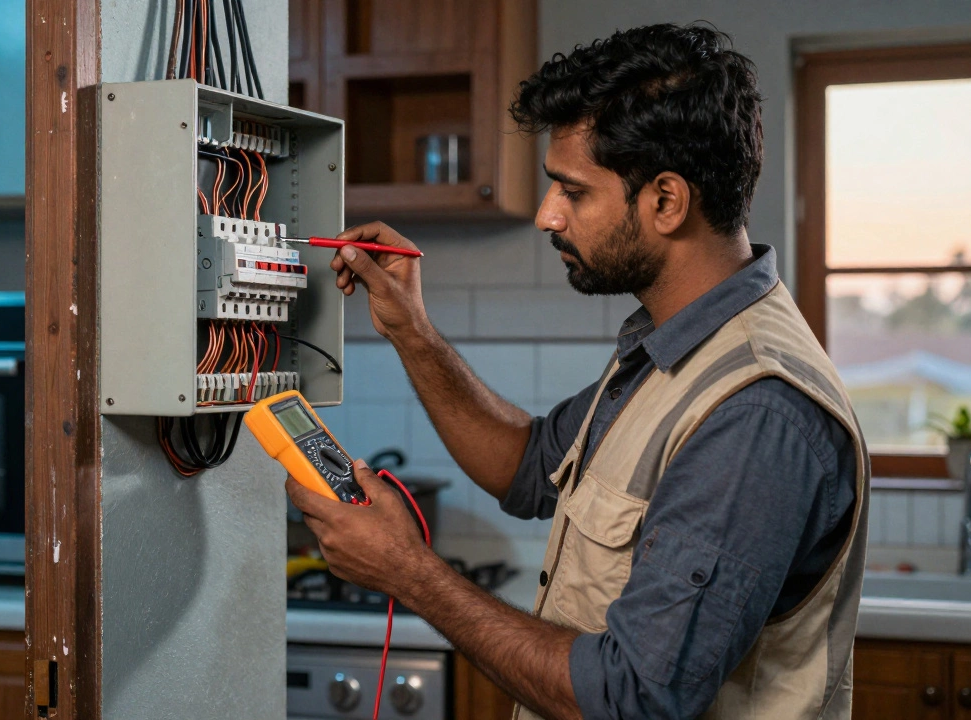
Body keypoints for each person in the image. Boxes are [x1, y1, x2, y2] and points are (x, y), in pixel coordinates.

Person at [285, 22, 870, 720]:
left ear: (666, 201)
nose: (546, 215)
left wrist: (408, 572)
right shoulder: (673, 350)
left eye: (572, 191)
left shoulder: (755, 410)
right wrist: (412, 330)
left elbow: (630, 699)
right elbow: (531, 464)